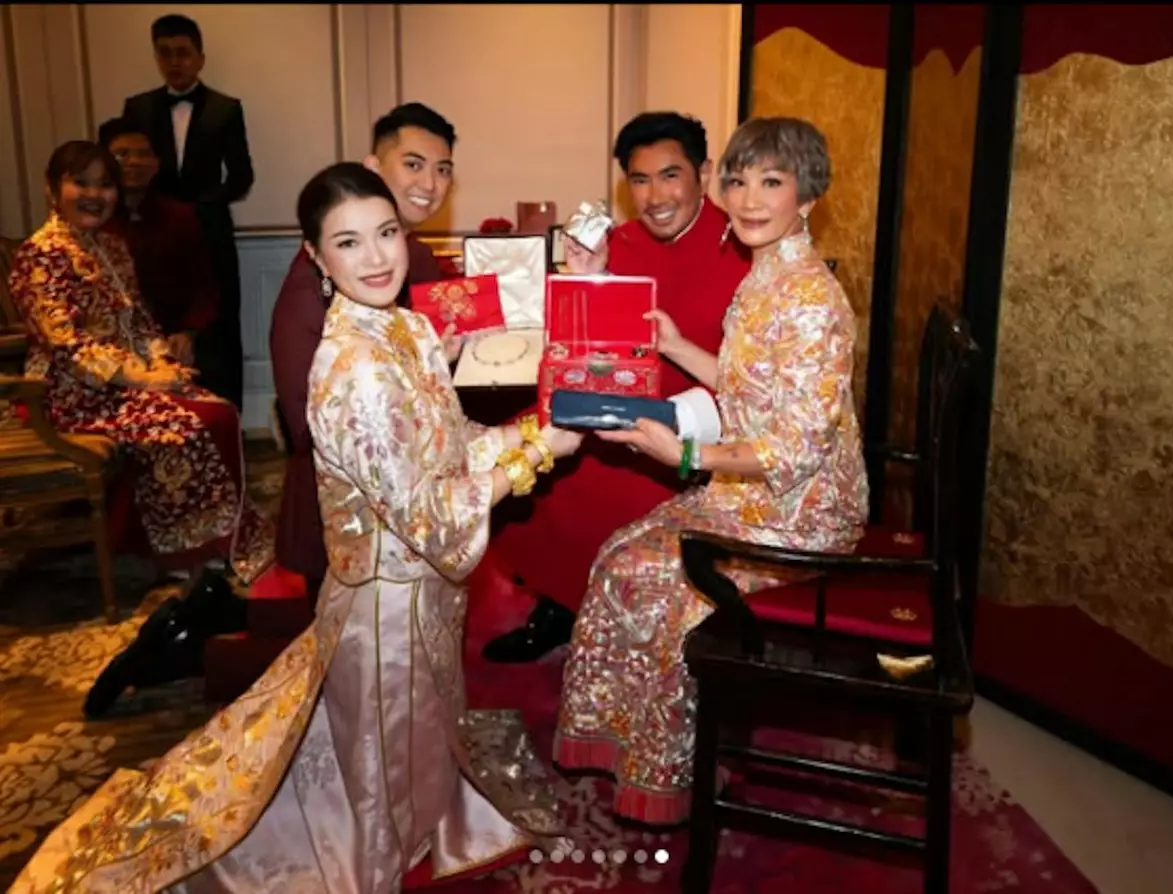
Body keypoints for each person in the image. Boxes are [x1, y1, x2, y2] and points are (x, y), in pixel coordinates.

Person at [12, 161, 584, 893]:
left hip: (425, 597)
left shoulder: (405, 326)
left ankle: (421, 818)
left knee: (405, 740)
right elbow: (428, 516)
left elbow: (448, 446)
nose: (375, 257)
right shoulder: (353, 367)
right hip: (389, 606)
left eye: (386, 233)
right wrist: (538, 451)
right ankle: (376, 847)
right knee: (382, 760)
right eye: (348, 242)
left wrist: (533, 431)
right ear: (316, 256)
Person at [553, 117, 870, 825]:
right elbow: (745, 386)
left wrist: (686, 456)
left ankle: (674, 773)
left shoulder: (811, 301)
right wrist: (673, 344)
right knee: (616, 555)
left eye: (772, 182)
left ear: (808, 197)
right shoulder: (767, 275)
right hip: (749, 491)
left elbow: (794, 449)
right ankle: (635, 751)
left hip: (801, 510)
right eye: (739, 181)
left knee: (649, 580)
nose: (750, 199)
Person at [485, 111, 752, 663]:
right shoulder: (617, 243)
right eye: (640, 180)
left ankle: (622, 620)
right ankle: (561, 604)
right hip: (613, 408)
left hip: (703, 426)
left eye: (670, 176)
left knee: (609, 484)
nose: (655, 196)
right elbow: (582, 345)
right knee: (525, 456)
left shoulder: (744, 247)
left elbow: (755, 380)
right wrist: (589, 279)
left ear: (703, 173)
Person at [5, 140, 270, 582]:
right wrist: (144, 380)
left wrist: (161, 361)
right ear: (52, 189)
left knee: (220, 411)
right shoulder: (42, 254)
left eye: (105, 185)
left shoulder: (111, 246)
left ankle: (216, 537)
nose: (95, 194)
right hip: (72, 394)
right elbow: (67, 346)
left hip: (126, 384)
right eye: (81, 183)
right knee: (185, 426)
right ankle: (181, 549)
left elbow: (141, 321)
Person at [270, 102, 458, 603]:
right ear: (373, 167)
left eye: (443, 170)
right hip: (351, 523)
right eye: (413, 164)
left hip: (421, 507)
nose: (430, 184)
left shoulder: (415, 257)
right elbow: (308, 428)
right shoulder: (310, 292)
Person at [123, 13, 254, 410]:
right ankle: (161, 416)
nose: (174, 62)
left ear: (200, 58)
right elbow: (126, 170)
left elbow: (242, 176)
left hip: (211, 232)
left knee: (222, 328)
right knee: (151, 321)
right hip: (151, 233)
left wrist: (201, 206)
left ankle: (227, 417)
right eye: (164, 53)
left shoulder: (226, 109)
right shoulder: (137, 108)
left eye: (182, 53)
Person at [98, 116, 219, 372]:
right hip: (109, 344)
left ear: (157, 163)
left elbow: (203, 285)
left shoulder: (181, 216)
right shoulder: (95, 219)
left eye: (144, 154)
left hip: (171, 338)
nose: (134, 162)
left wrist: (188, 332)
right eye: (122, 154)